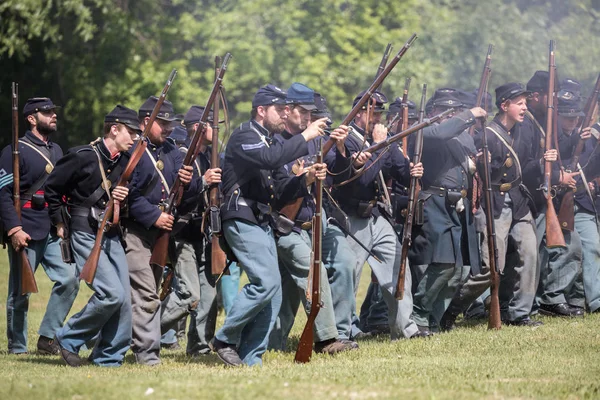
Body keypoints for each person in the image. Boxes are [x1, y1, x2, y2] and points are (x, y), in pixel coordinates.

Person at [211, 84, 326, 366]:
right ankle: (225, 338)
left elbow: (281, 190)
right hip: (240, 216)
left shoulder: (272, 142)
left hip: (260, 219)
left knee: (272, 293)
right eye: (280, 109)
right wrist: (307, 136)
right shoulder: (245, 135)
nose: (285, 114)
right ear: (261, 111)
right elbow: (269, 159)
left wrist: (306, 180)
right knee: (268, 282)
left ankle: (252, 358)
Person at [45, 105, 138, 366]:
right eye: (130, 132)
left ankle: (108, 357)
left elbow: (121, 206)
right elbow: (51, 190)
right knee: (111, 294)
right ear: (114, 129)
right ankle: (67, 338)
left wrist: (121, 199)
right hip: (85, 230)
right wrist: (59, 223)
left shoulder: (123, 163)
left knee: (124, 300)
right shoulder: (82, 156)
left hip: (111, 233)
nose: (134, 138)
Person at [270, 83, 357, 354]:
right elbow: (279, 187)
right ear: (288, 110)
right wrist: (305, 177)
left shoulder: (318, 140)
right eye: (302, 111)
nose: (308, 117)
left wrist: (341, 149)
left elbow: (341, 176)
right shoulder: (277, 143)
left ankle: (275, 341)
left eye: (310, 112)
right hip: (287, 225)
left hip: (315, 223)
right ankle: (328, 339)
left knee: (288, 289)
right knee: (308, 276)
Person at [332, 90, 424, 339]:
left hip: (376, 213)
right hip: (352, 215)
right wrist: (380, 145)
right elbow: (362, 181)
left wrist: (412, 170)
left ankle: (405, 328)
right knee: (349, 274)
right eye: (375, 112)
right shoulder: (348, 140)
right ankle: (346, 330)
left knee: (397, 266)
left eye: (381, 112)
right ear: (360, 112)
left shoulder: (378, 138)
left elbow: (401, 173)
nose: (379, 118)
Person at [0, 97, 79, 355]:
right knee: (20, 292)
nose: (54, 115)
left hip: (53, 229)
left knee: (69, 280)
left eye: (54, 111)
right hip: (25, 227)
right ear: (31, 118)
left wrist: (61, 222)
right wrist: (13, 229)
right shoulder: (14, 151)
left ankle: (46, 338)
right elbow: (2, 193)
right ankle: (18, 346)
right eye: (47, 112)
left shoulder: (57, 151)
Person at [123, 96, 197, 366]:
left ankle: (115, 344)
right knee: (146, 296)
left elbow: (187, 198)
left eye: (170, 124)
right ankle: (148, 354)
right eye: (162, 123)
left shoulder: (172, 151)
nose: (168, 129)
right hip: (137, 230)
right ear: (146, 121)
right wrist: (155, 216)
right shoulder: (133, 151)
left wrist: (190, 183)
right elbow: (128, 194)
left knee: (150, 293)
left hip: (161, 234)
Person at [408, 89, 486, 333]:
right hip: (435, 203)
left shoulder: (461, 136)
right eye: (445, 111)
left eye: (453, 111)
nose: (449, 115)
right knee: (441, 266)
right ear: (432, 111)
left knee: (458, 271)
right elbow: (442, 133)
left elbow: (467, 161)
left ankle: (436, 320)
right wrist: (468, 114)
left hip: (458, 206)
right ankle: (419, 316)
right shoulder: (424, 129)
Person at [159, 105, 220, 357]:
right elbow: (177, 199)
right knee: (189, 295)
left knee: (209, 294)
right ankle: (139, 333)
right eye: (212, 126)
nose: (217, 131)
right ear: (198, 127)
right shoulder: (180, 156)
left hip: (203, 232)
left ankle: (199, 346)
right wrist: (203, 182)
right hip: (182, 232)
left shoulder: (207, 156)